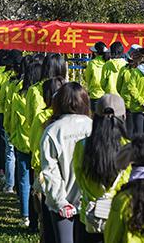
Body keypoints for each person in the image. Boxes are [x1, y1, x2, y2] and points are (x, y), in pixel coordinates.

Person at [73, 94, 131, 243]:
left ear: (95, 117)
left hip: (89, 217)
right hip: (119, 217)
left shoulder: (82, 145)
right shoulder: (129, 148)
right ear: (124, 117)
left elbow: (79, 178)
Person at [40, 82, 92, 243]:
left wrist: (60, 201)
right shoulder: (93, 127)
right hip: (90, 202)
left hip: (62, 205)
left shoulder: (53, 130)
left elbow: (50, 171)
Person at [30, 77, 66, 243]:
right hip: (67, 175)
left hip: (44, 172)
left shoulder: (41, 118)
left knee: (45, 214)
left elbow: (34, 143)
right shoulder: (73, 120)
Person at [8, 60, 41, 228]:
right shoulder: (42, 93)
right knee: (39, 180)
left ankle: (26, 215)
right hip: (38, 143)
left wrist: (11, 133)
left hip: (22, 141)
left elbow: (12, 118)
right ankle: (39, 216)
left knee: (24, 180)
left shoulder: (18, 93)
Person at [0, 49, 23, 194]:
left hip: (9, 121)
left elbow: (2, 100)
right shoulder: (30, 85)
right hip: (24, 126)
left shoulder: (9, 82)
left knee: (10, 153)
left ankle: (10, 184)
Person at [117, 46, 144, 136]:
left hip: (135, 106)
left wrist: (141, 101)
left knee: (136, 134)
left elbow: (130, 87)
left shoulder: (135, 71)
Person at [84, 42, 109, 110]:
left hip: (94, 94)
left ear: (95, 53)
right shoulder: (108, 62)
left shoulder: (92, 63)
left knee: (94, 115)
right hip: (107, 95)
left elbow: (87, 78)